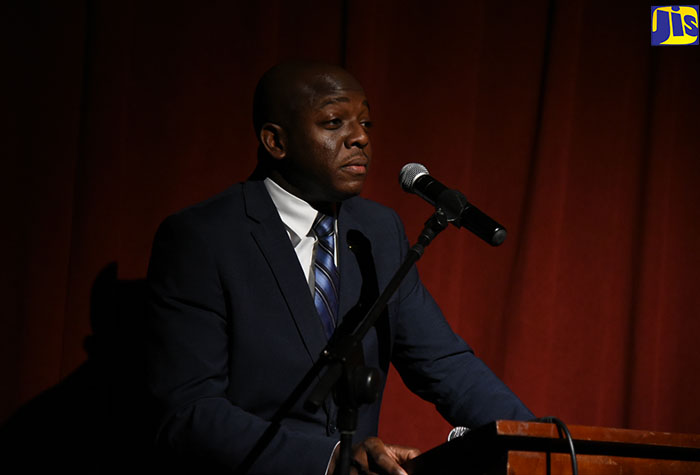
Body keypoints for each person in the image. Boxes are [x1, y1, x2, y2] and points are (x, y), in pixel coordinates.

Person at [146, 61, 533, 475]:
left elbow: (443, 364)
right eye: (334, 122)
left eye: (366, 122)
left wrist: (539, 442)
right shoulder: (203, 238)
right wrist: (329, 461)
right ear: (276, 141)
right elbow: (189, 411)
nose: (361, 137)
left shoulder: (378, 232)